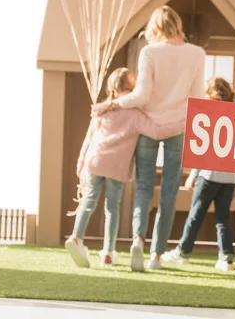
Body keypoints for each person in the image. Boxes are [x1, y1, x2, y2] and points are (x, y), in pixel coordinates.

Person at [93, 5, 206, 271]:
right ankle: (156, 255)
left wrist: (113, 105)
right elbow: (198, 97)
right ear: (178, 25)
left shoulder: (149, 52)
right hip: (177, 128)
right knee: (168, 192)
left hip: (147, 125)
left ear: (154, 28)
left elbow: (141, 96)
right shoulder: (197, 54)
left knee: (144, 188)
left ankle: (137, 241)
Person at [66, 67, 184, 268]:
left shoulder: (101, 110)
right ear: (133, 87)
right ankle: (108, 253)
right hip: (116, 166)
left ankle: (76, 237)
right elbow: (156, 132)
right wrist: (181, 125)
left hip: (94, 161)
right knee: (112, 208)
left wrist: (80, 164)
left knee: (89, 200)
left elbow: (89, 139)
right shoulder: (135, 114)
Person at [162, 78, 235, 272]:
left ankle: (183, 251)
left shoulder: (209, 115)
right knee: (223, 217)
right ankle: (226, 257)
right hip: (230, 178)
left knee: (195, 215)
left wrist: (193, 174)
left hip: (209, 175)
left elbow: (202, 148)